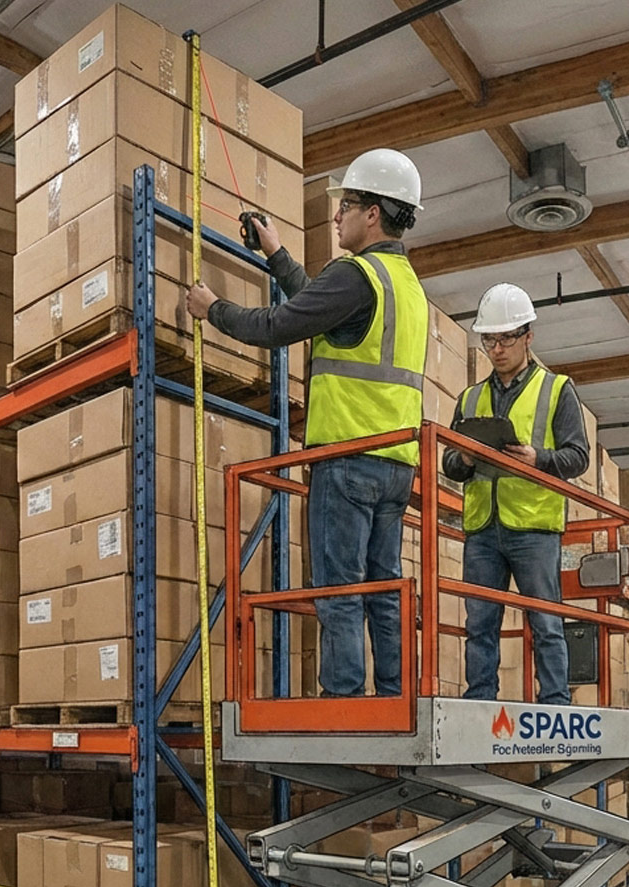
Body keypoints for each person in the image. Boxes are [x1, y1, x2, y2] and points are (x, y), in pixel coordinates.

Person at [186, 148, 428, 697]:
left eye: (347, 205)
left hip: (345, 459)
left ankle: (343, 697)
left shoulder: (357, 274)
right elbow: (320, 306)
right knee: (383, 589)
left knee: (339, 587)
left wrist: (212, 307)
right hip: (396, 466)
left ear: (373, 214)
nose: (337, 215)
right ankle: (394, 695)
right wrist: (275, 252)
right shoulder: (406, 285)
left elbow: (278, 324)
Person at [442, 283, 590, 705]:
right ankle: (481, 698)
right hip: (482, 527)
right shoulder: (470, 398)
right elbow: (448, 463)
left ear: (528, 336)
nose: (497, 348)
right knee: (480, 621)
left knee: (546, 620)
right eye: (490, 339)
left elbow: (578, 457)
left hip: (534, 527)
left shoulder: (558, 389)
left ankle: (556, 701)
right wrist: (466, 460)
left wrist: (537, 458)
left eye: (507, 338)